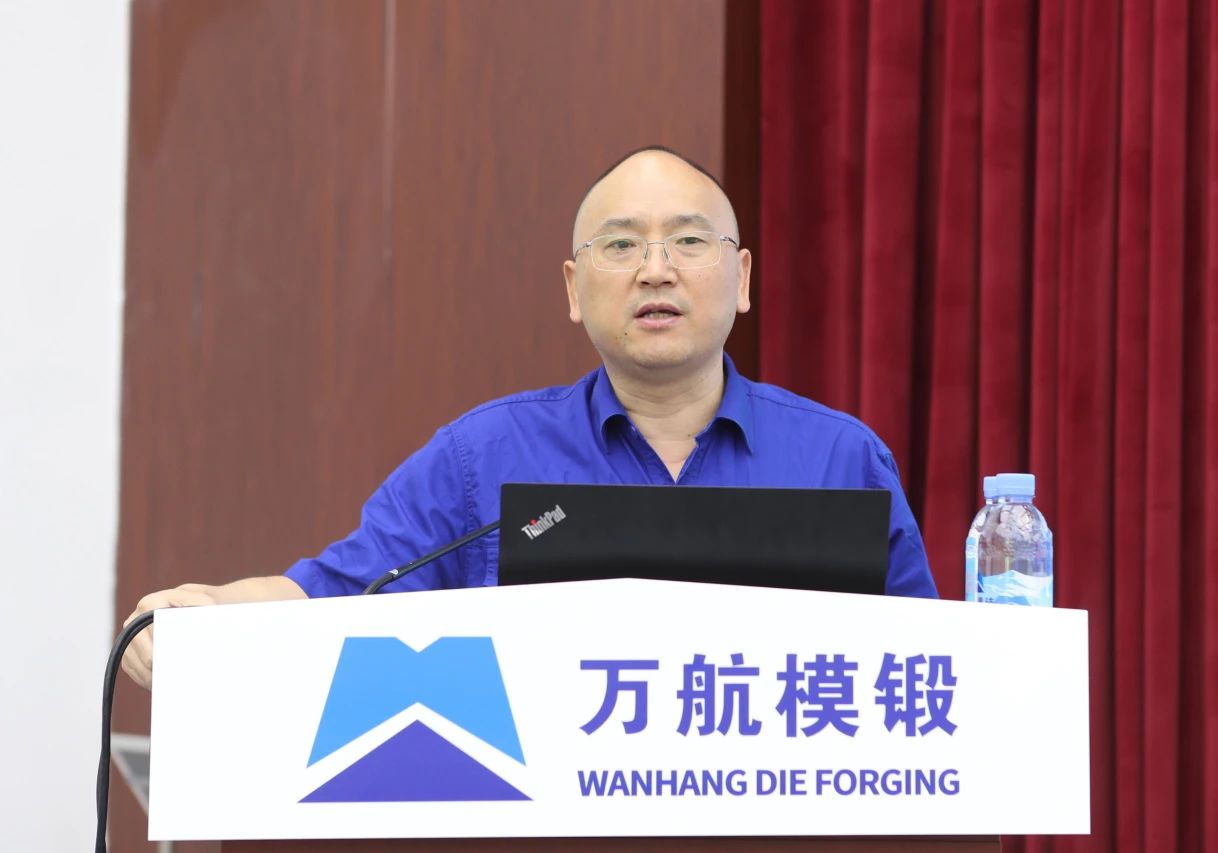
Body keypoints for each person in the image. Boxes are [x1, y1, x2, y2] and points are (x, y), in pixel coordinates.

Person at [121, 145, 937, 689]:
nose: (656, 269)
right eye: (620, 245)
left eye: (690, 242)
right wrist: (205, 606)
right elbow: (337, 589)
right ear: (575, 289)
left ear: (743, 278)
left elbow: (935, 670)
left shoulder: (841, 458)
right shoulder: (484, 456)